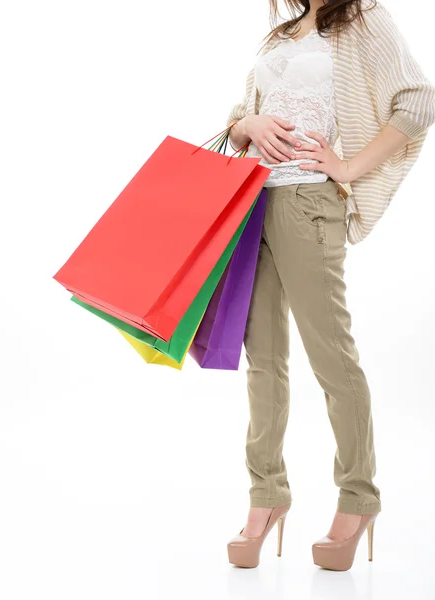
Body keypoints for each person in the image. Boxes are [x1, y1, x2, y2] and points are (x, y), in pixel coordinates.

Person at [225, 0, 435, 571]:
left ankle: (357, 497)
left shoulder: (364, 19)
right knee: (263, 360)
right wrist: (247, 123)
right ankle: (266, 497)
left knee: (332, 359)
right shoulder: (280, 34)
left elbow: (417, 100)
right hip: (251, 206)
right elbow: (241, 119)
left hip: (309, 205)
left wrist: (347, 167)